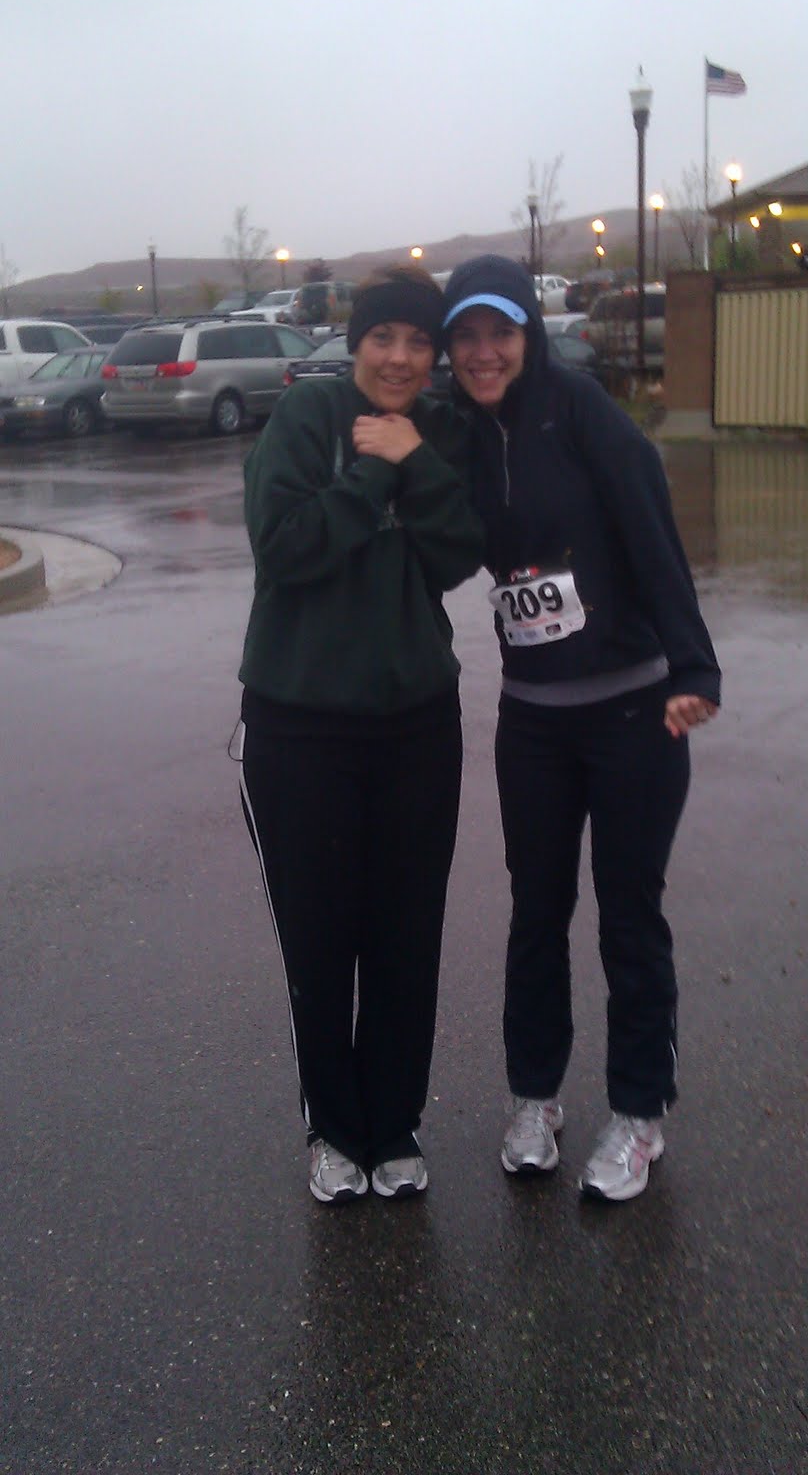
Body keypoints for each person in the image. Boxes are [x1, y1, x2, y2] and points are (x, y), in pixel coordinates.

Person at [442, 254, 721, 1202]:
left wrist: (692, 666)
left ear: (529, 333)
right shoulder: (460, 433)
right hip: (533, 720)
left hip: (633, 708)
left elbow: (651, 529)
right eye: (466, 336)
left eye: (501, 331)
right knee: (536, 913)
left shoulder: (581, 411)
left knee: (628, 917)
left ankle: (639, 1115)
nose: (484, 352)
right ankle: (535, 1098)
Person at [238, 265, 483, 1205]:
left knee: (404, 936)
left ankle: (393, 1124)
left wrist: (414, 459)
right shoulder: (308, 419)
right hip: (300, 727)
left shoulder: (437, 431)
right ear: (355, 341)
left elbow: (457, 554)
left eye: (419, 342)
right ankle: (334, 1131)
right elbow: (285, 546)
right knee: (319, 938)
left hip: (416, 725)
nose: (400, 357)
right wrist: (374, 468)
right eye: (383, 337)